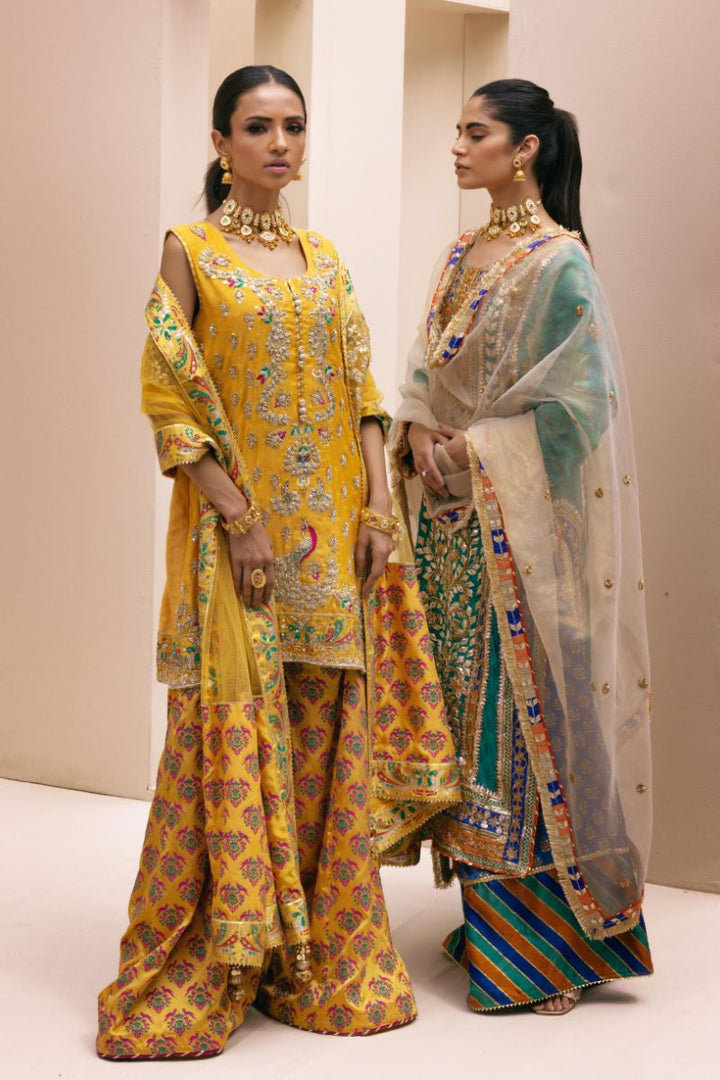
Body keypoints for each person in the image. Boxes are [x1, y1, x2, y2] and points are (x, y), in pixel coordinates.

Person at [97, 65, 458, 1060]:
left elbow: (362, 391)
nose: (280, 144)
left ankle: (311, 952)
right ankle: (222, 950)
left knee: (321, 738)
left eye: (293, 125)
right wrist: (239, 518)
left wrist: (379, 507)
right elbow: (171, 400)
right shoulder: (191, 252)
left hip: (333, 547)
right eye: (257, 127)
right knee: (228, 732)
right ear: (220, 143)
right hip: (236, 548)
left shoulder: (323, 256)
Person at [389, 78, 653, 1016]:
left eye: (476, 132)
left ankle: (551, 947)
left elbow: (583, 407)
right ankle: (493, 931)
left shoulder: (559, 263)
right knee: (464, 716)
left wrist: (477, 451)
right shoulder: (461, 253)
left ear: (526, 148)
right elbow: (423, 369)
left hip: (523, 539)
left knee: (523, 720)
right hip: (450, 532)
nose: (458, 147)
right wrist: (415, 432)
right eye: (458, 131)